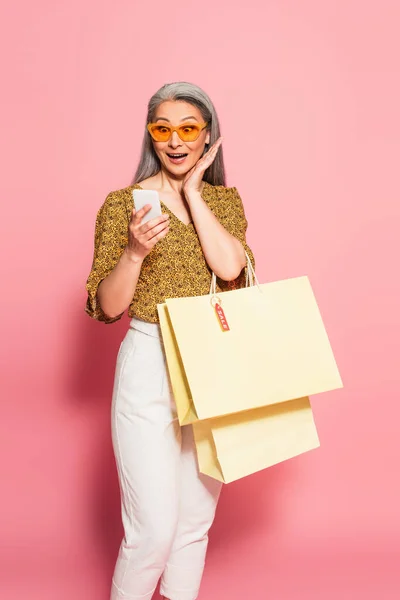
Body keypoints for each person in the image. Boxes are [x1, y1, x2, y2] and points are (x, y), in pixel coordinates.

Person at [85, 81, 255, 600]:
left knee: (192, 526)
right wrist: (135, 253)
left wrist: (194, 196)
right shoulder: (123, 205)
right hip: (149, 359)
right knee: (152, 532)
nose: (175, 141)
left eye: (189, 129)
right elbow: (107, 307)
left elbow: (231, 270)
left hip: (211, 361)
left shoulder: (224, 202)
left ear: (208, 137)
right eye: (163, 129)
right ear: (150, 136)